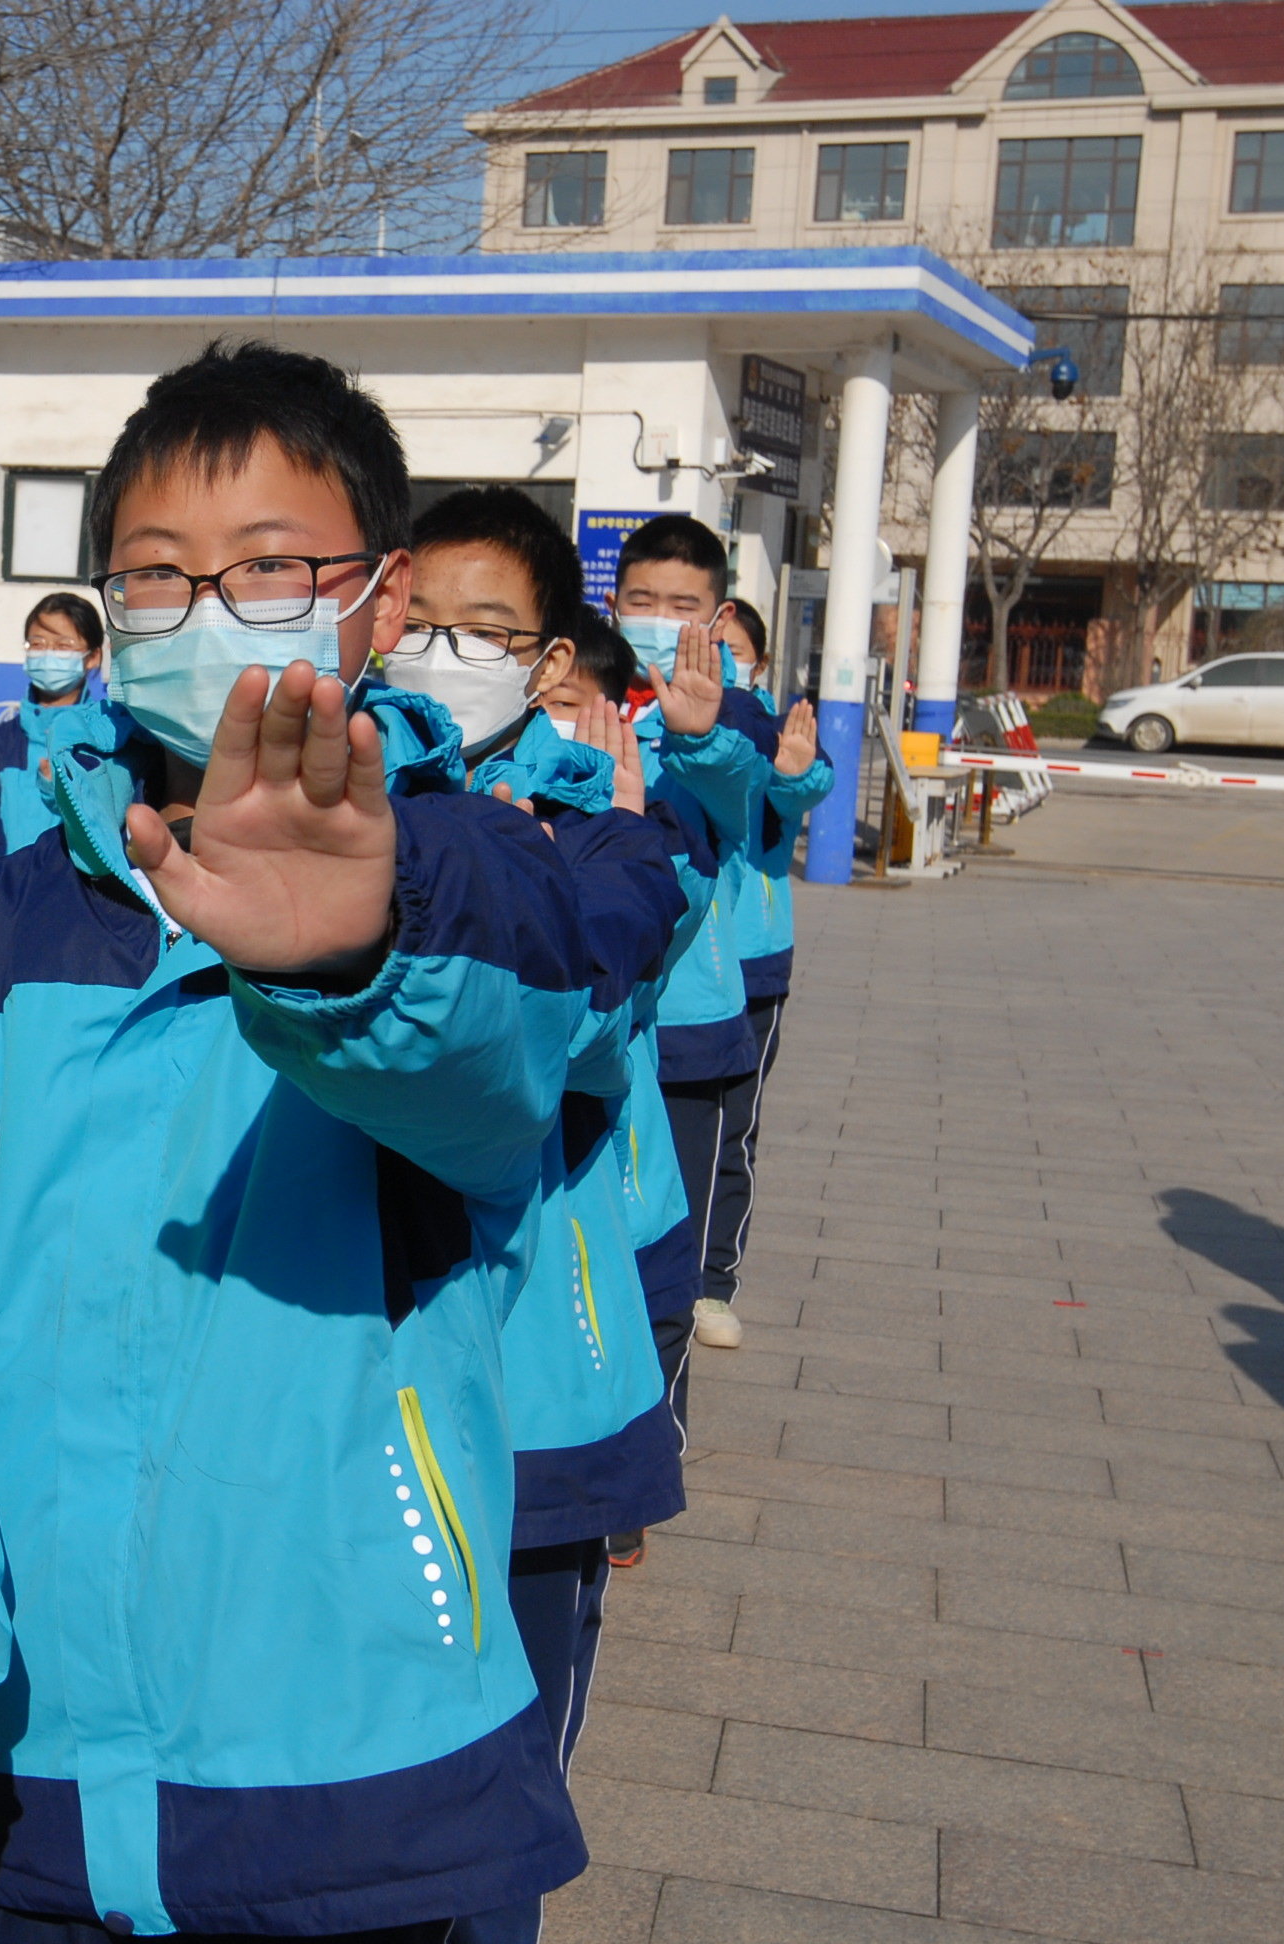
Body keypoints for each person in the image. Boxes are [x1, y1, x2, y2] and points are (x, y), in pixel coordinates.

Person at [0, 342, 679, 1944]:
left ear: (376, 598)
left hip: (348, 1784)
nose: (209, 611)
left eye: (268, 568)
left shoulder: (466, 873)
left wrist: (346, 955)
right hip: (6, 1763)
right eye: (158, 576)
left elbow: (527, 1034)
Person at [384, 490, 705, 1944]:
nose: (445, 651)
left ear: (549, 661)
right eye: (422, 620)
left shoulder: (606, 826)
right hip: (366, 1378)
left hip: (536, 1383)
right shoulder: (325, 805)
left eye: (488, 629)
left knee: (504, 1796)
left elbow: (573, 1057)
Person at [609, 516, 778, 1402]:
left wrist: (697, 734)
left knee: (663, 1253)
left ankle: (652, 1448)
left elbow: (746, 787)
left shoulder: (734, 718)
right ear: (612, 604)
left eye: (683, 605)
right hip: (592, 1026)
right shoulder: (585, 699)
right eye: (642, 600)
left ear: (714, 622)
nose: (659, 618)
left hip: (687, 1030)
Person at [699, 601, 832, 1351]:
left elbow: (803, 788)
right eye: (709, 646)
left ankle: (714, 1284)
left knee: (732, 1132)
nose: (721, 660)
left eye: (735, 649)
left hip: (752, 970)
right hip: (683, 965)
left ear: (757, 661)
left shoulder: (780, 728)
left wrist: (790, 767)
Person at [0, 591, 105, 866]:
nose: (48, 654)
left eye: (63, 645)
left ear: (93, 656)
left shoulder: (108, 742)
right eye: (38, 644)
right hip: (8, 900)